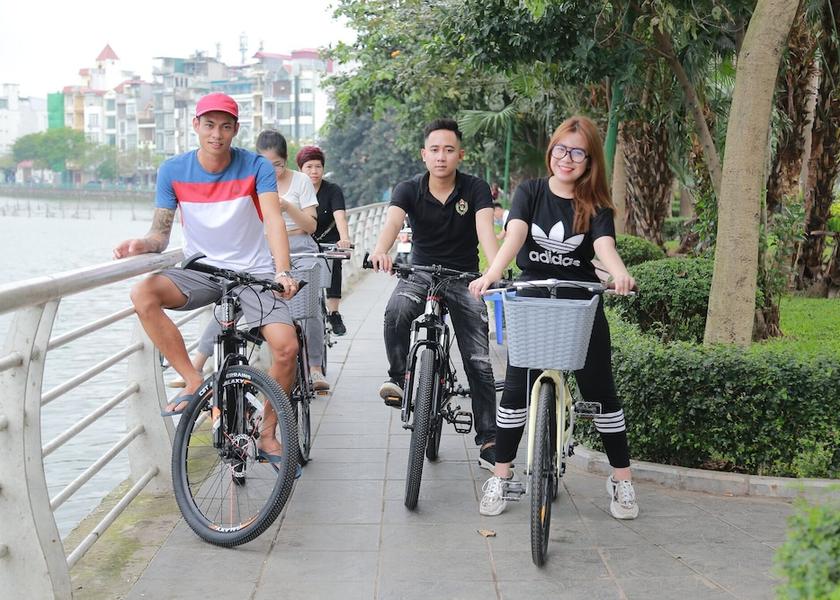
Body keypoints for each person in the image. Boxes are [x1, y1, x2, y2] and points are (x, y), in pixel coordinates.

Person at [469, 115, 640, 520]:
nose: (567, 158)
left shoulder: (595, 203)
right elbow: (514, 235)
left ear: (589, 159)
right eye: (561, 149)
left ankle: (623, 480)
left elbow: (603, 244)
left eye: (577, 152)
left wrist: (618, 273)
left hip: (580, 301)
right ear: (552, 152)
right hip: (533, 298)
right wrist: (492, 274)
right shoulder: (529, 191)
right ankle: (502, 474)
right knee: (514, 393)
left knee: (601, 394)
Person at [113, 93, 299, 463]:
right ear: (196, 125)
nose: (217, 134)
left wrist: (282, 270)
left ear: (235, 130)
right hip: (201, 271)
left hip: (254, 272)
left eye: (225, 126)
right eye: (209, 125)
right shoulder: (173, 170)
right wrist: (141, 244)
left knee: (286, 347)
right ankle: (195, 380)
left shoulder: (256, 167)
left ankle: (267, 431)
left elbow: (274, 220)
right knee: (143, 294)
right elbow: (160, 234)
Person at [368, 118, 500, 470]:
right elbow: (393, 224)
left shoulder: (475, 189)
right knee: (397, 311)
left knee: (478, 359)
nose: (442, 157)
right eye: (435, 150)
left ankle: (489, 438)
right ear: (424, 154)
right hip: (420, 271)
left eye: (449, 150)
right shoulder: (408, 188)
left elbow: (486, 230)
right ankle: (398, 376)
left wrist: (493, 271)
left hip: (465, 276)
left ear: (460, 154)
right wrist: (381, 250)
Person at [186, 131, 332, 392]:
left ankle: (315, 368)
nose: (270, 169)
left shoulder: (300, 182)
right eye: (264, 163)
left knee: (307, 311)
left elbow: (309, 225)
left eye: (275, 164)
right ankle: (198, 361)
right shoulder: (250, 181)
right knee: (231, 304)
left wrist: (286, 207)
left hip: (299, 254)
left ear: (285, 161)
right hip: (262, 255)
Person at [297, 145, 352, 336]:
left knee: (334, 263)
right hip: (303, 241)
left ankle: (334, 312)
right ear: (300, 169)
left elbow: (340, 216)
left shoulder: (332, 190)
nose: (314, 171)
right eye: (309, 166)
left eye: (318, 166)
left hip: (328, 241)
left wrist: (344, 238)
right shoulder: (296, 190)